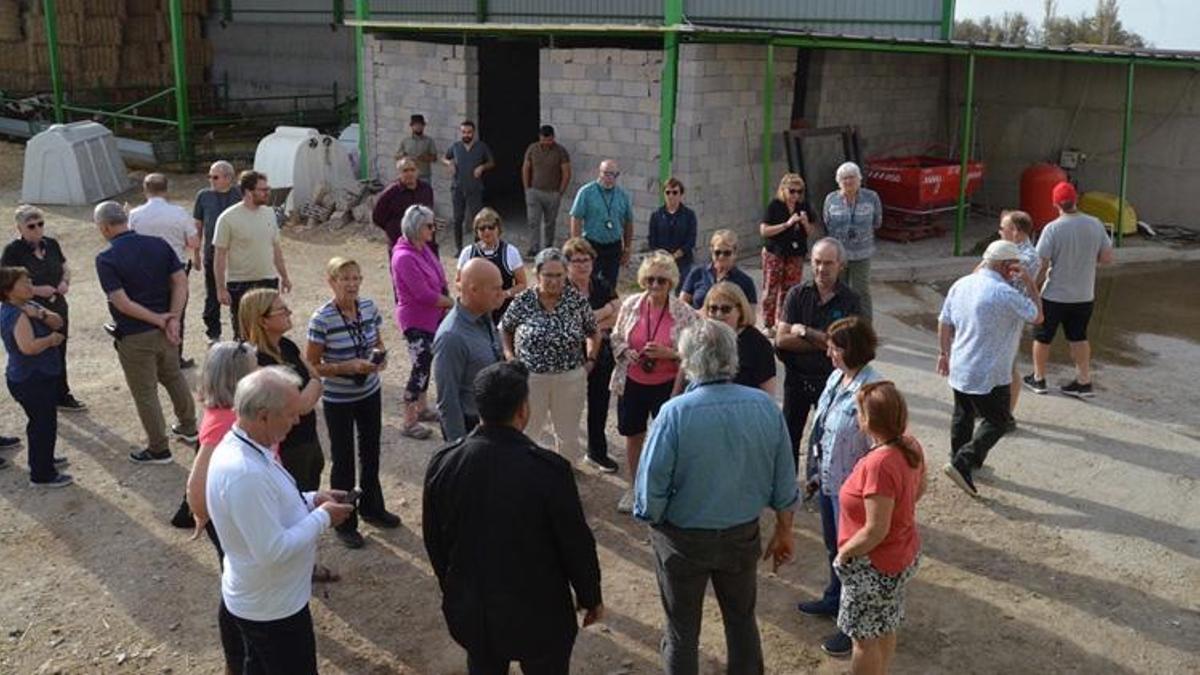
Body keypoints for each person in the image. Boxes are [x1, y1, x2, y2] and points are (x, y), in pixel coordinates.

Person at [635, 320, 798, 675]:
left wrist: (657, 522)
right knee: (741, 622)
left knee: (681, 632)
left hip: (682, 539)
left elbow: (650, 493)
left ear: (687, 360)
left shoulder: (674, 413)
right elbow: (785, 480)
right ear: (732, 358)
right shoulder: (765, 407)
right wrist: (785, 529)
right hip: (741, 533)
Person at [423, 361, 604, 674]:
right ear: (523, 410)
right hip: (539, 614)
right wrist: (590, 596)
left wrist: (452, 586)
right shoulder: (548, 470)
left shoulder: (445, 463)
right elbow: (574, 543)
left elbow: (434, 539)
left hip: (474, 610)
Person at [205, 367, 354, 675]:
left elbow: (275, 501)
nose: (297, 420)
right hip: (271, 611)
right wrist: (323, 517)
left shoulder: (251, 447)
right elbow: (272, 551)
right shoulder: (246, 474)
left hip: (268, 601)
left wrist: (312, 498)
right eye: (289, 414)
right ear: (262, 415)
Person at [794, 316, 882, 657]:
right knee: (835, 549)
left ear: (854, 349)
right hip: (832, 483)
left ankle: (851, 626)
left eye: (835, 347)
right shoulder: (836, 377)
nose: (828, 352)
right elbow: (823, 429)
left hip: (856, 492)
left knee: (855, 558)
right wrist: (815, 473)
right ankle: (834, 599)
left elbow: (880, 445)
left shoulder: (874, 389)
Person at [93, 201, 197, 464]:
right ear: (125, 219)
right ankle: (189, 427)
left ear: (104, 227)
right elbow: (180, 282)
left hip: (135, 334)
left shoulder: (106, 258)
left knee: (145, 392)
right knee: (174, 377)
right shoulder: (159, 245)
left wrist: (160, 320)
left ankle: (159, 448)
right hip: (166, 331)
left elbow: (122, 302)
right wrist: (172, 318)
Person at [306, 257, 400, 549]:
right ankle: (345, 521)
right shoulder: (321, 319)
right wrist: (346, 367)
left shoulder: (369, 308)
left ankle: (373, 507)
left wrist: (378, 360)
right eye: (344, 279)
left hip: (370, 391)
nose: (351, 284)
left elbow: (378, 343)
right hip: (339, 400)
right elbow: (312, 365)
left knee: (371, 453)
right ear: (331, 281)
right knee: (344, 460)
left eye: (355, 278)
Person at [835, 381, 926, 675]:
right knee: (886, 623)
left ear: (868, 420)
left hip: (874, 564)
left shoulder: (879, 464)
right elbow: (918, 489)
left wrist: (844, 553)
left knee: (863, 639)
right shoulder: (910, 445)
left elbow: (876, 530)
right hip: (900, 556)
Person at [938, 240, 1042, 497]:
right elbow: (1038, 316)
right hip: (990, 371)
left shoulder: (961, 284)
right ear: (1007, 266)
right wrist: (1030, 284)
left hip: (960, 364)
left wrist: (944, 354)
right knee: (998, 420)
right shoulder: (1005, 293)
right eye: (1014, 266)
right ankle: (964, 460)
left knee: (962, 414)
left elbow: (944, 321)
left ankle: (959, 457)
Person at [183, 340, 258, 672]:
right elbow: (195, 483)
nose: (260, 369)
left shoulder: (230, 411)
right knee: (236, 580)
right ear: (239, 375)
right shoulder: (224, 422)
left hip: (238, 509)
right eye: (255, 365)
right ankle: (237, 658)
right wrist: (201, 513)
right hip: (231, 516)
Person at [610, 251, 699, 513]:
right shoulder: (630, 305)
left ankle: (667, 489)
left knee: (668, 438)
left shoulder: (684, 312)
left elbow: (696, 352)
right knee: (633, 435)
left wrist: (670, 354)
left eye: (661, 280)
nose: (655, 286)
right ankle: (636, 487)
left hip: (668, 386)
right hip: (633, 382)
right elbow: (615, 337)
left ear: (671, 282)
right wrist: (626, 351)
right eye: (649, 280)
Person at [500, 248, 599, 460]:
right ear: (537, 275)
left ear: (566, 275)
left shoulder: (576, 300)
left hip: (570, 376)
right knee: (529, 429)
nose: (554, 281)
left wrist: (590, 360)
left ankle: (565, 472)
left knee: (568, 432)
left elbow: (593, 331)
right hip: (530, 377)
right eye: (548, 275)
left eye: (559, 275)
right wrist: (509, 355)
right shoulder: (524, 300)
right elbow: (505, 328)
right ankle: (527, 470)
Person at [776, 238, 862, 468]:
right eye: (816, 262)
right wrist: (825, 340)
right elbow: (782, 340)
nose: (821, 268)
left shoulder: (851, 301)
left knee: (829, 436)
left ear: (840, 265)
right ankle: (788, 487)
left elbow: (846, 345)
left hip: (831, 381)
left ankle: (822, 484)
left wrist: (804, 332)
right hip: (796, 380)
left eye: (828, 263)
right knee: (789, 436)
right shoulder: (797, 294)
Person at [1024, 181, 1115, 399]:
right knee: (1079, 337)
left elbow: (1042, 263)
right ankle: (1084, 381)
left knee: (1043, 337)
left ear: (1055, 204)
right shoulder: (1095, 224)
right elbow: (1106, 258)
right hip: (1084, 295)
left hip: (1055, 295)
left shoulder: (1053, 228)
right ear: (1076, 200)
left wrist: (1032, 290)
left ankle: (1039, 378)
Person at [2, 205, 85, 411]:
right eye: (31, 226)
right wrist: (38, 290)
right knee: (36, 350)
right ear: (20, 228)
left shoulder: (51, 244)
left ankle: (61, 393)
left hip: (57, 306)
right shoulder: (13, 251)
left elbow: (64, 265)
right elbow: (6, 285)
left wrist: (65, 281)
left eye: (40, 224)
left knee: (59, 348)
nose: (37, 229)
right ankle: (42, 396)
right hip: (29, 310)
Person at [0, 266, 70, 486]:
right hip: (32, 379)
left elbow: (58, 321)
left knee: (44, 422)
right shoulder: (17, 314)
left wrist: (40, 313)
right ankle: (42, 474)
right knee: (42, 424)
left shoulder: (28, 306)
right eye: (24, 283)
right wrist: (51, 340)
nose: (30, 285)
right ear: (9, 290)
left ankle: (43, 460)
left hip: (37, 375)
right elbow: (28, 347)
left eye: (29, 280)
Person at [392, 205, 453, 439]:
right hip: (416, 320)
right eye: (429, 225)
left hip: (433, 316)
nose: (433, 228)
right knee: (420, 367)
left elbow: (439, 277)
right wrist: (451, 304)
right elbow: (423, 294)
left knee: (425, 364)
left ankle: (423, 408)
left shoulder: (422, 248)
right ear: (417, 227)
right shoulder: (404, 257)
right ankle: (408, 421)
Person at [130, 173, 201, 368]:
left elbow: (129, 240)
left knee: (150, 310)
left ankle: (153, 357)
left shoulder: (135, 215)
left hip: (145, 269)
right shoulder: (179, 213)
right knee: (177, 312)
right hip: (175, 267)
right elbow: (194, 242)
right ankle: (175, 357)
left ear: (145, 190)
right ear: (166, 189)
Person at [564, 237, 621, 473]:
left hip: (602, 355)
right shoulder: (563, 290)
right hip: (570, 356)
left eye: (587, 259)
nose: (583, 265)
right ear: (567, 264)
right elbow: (571, 322)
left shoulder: (600, 284)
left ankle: (596, 452)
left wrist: (594, 317)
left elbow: (620, 314)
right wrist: (605, 312)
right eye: (577, 261)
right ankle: (567, 458)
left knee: (599, 404)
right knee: (569, 407)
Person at [213, 170, 292, 339]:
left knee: (270, 332)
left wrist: (284, 276)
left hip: (268, 281)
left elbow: (276, 248)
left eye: (268, 188)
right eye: (263, 189)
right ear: (248, 191)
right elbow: (219, 256)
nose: (267, 193)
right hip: (240, 284)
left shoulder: (269, 213)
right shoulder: (227, 218)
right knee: (244, 334)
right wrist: (220, 289)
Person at [433, 259, 505, 442]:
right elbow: (448, 401)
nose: (501, 294)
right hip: (471, 428)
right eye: (495, 289)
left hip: (492, 422)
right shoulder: (451, 337)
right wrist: (459, 449)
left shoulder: (483, 316)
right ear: (473, 290)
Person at [822, 162, 883, 322]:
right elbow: (827, 223)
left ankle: (865, 327)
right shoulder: (831, 199)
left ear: (859, 179)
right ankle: (838, 323)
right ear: (838, 181)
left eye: (852, 177)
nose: (848, 181)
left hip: (862, 252)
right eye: (844, 178)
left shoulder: (872, 197)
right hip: (838, 255)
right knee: (837, 289)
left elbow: (877, 222)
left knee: (861, 290)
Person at [193, 160, 242, 344]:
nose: (211, 180)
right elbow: (198, 225)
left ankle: (239, 334)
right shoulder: (203, 196)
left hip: (237, 254)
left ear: (229, 178)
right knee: (213, 294)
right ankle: (213, 333)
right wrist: (196, 253)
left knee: (237, 294)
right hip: (212, 254)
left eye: (215, 177)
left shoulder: (240, 194)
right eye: (209, 176)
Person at [759, 173, 816, 333]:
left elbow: (811, 231)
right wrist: (786, 224)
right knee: (771, 288)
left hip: (795, 252)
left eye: (799, 192)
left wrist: (804, 223)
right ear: (783, 190)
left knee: (790, 289)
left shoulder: (803, 206)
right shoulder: (775, 206)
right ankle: (768, 323)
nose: (795, 195)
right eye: (792, 191)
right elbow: (764, 230)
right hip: (775, 252)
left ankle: (783, 321)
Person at [997, 210, 1040, 415]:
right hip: (997, 316)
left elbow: (1001, 279)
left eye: (1002, 228)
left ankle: (1006, 414)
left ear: (1015, 231)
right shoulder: (1007, 251)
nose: (999, 232)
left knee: (1008, 366)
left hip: (1010, 319)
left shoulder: (1027, 256)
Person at [701, 281, 775, 395]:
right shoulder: (701, 338)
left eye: (726, 309)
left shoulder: (759, 344)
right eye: (713, 308)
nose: (718, 315)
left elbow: (768, 393)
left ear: (740, 311)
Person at [456, 207, 527, 323]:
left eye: (491, 227)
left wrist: (505, 294)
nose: (487, 231)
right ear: (476, 231)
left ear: (498, 229)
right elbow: (458, 282)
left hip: (504, 313)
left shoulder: (510, 252)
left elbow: (522, 284)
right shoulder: (467, 252)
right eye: (482, 228)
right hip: (476, 313)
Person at [569, 159, 633, 286]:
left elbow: (628, 222)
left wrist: (627, 248)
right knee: (588, 281)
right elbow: (576, 218)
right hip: (592, 244)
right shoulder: (586, 192)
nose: (609, 178)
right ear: (599, 173)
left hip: (614, 246)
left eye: (613, 175)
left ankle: (608, 305)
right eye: (606, 173)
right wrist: (577, 245)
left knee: (610, 283)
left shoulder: (623, 195)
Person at [442, 120, 496, 250]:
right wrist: (449, 163)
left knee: (477, 220)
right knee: (457, 219)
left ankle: (478, 248)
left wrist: (482, 167)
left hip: (475, 188)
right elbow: (444, 157)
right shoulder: (456, 146)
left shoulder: (481, 147)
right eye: (464, 132)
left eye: (469, 132)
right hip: (457, 188)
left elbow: (491, 162)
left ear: (473, 133)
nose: (466, 135)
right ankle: (459, 249)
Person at [679, 229, 758, 316]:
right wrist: (699, 314)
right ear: (711, 251)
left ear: (735, 253)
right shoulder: (697, 273)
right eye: (717, 252)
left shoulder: (746, 282)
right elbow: (681, 305)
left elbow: (751, 317)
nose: (721, 257)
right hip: (698, 325)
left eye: (727, 253)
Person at [522, 124, 572, 256]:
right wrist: (527, 188)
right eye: (544, 140)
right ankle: (534, 247)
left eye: (549, 140)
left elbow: (566, 172)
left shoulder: (561, 151)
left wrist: (560, 192)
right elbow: (526, 168)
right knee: (533, 221)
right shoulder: (532, 149)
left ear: (553, 138)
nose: (546, 143)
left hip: (552, 193)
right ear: (539, 137)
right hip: (535, 192)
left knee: (550, 222)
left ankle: (548, 247)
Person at [373, 157, 435, 252]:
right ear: (399, 173)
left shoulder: (426, 189)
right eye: (405, 170)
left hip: (423, 244)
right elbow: (377, 217)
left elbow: (429, 215)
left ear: (417, 171)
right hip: (400, 244)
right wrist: (393, 229)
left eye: (412, 170)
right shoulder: (390, 193)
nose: (409, 173)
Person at [647, 177, 698, 290]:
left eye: (675, 192)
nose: (671, 196)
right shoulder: (656, 215)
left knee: (681, 292)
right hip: (661, 261)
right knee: (661, 291)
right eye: (668, 192)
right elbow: (652, 239)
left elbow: (691, 240)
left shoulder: (689, 215)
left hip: (683, 261)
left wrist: (675, 255)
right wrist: (662, 256)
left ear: (681, 194)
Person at [397, 113, 438, 181]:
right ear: (412, 126)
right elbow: (397, 156)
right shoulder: (406, 141)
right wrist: (404, 157)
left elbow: (434, 158)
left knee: (425, 191)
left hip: (423, 175)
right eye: (416, 125)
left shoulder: (429, 141)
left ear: (423, 126)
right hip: (408, 175)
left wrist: (425, 158)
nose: (418, 127)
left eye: (420, 125)